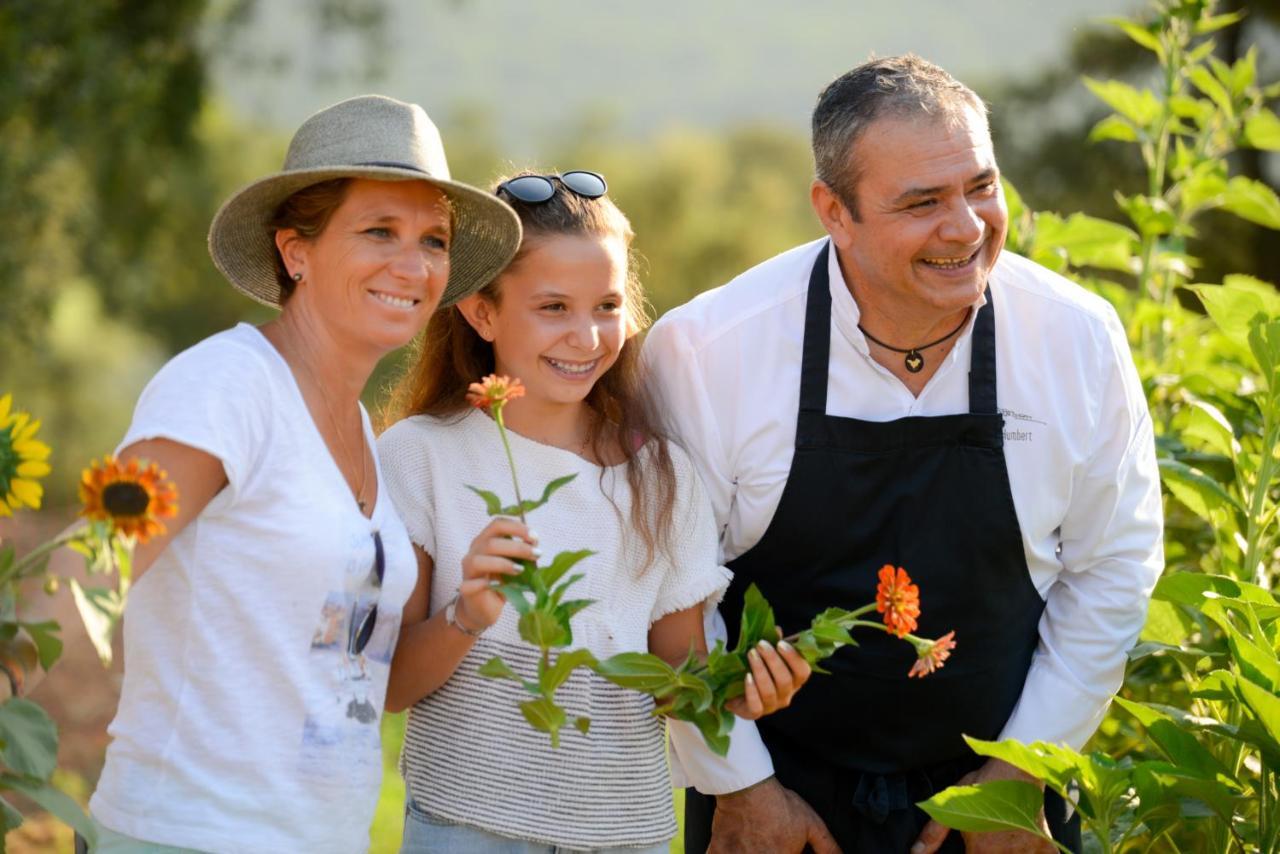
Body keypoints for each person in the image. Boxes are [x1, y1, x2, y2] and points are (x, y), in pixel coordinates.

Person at [643, 55, 1164, 854]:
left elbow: (1113, 568)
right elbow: (670, 594)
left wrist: (1020, 776)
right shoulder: (708, 350)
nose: (964, 227)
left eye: (981, 188)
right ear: (834, 211)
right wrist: (741, 788)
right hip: (776, 803)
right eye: (922, 203)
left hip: (1004, 794)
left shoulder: (1077, 339)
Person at [85, 95, 522, 853]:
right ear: (296, 251)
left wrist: (465, 615)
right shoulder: (229, 387)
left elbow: (362, 683)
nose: (412, 265)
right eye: (378, 231)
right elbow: (95, 561)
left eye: (433, 239)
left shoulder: (357, 428)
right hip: (187, 835)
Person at [377, 170, 813, 853]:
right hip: (465, 825)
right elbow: (391, 685)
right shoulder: (420, 456)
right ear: (481, 312)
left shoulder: (662, 477)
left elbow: (679, 685)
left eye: (607, 305)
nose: (586, 337)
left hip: (623, 834)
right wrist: (467, 613)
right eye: (553, 307)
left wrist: (747, 691)